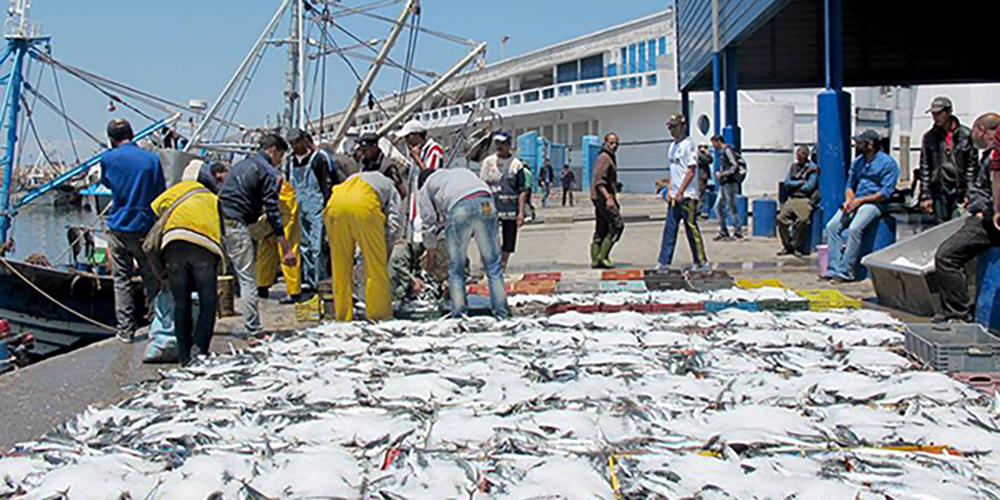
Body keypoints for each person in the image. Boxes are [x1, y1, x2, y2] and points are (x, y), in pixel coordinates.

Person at [218, 133, 295, 336]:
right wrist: (285, 248)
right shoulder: (267, 170)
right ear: (273, 150)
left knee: (220, 275)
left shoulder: (243, 164)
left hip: (220, 220)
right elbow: (272, 210)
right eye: (280, 157)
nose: (279, 162)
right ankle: (254, 330)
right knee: (247, 279)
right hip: (236, 223)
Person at [100, 118, 166, 343]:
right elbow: (160, 191)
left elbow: (107, 183)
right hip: (144, 227)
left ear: (111, 139)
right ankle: (157, 326)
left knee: (121, 279)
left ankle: (126, 330)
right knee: (152, 278)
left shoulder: (107, 158)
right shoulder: (151, 160)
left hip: (118, 226)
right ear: (133, 133)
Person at [149, 176, 225, 366]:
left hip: (173, 243)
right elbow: (221, 229)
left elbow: (155, 207)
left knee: (181, 303)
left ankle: (184, 355)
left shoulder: (178, 189)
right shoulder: (212, 198)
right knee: (208, 302)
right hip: (204, 247)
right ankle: (199, 351)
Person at [418, 168, 509, 319]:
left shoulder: (426, 187)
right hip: (486, 204)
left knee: (456, 269)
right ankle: (502, 313)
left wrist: (431, 252)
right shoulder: (458, 173)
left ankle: (459, 315)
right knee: (493, 266)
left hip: (460, 208)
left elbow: (428, 222)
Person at [935, 113, 1000, 323]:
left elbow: (994, 185)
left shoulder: (994, 154)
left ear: (981, 130)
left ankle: (956, 314)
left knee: (947, 256)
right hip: (985, 211)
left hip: (990, 219)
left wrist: (987, 210)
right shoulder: (986, 155)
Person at [324, 152, 401, 322]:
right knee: (376, 267)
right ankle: (379, 314)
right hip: (363, 202)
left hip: (335, 203)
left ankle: (343, 315)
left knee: (340, 266)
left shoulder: (357, 177)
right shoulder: (391, 187)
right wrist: (384, 252)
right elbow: (393, 224)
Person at [823, 130, 900, 283]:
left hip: (875, 203)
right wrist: (849, 200)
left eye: (860, 142)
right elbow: (850, 184)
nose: (857, 145)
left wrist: (862, 201)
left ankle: (846, 271)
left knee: (854, 229)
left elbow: (885, 192)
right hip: (856, 200)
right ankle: (834, 268)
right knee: (832, 227)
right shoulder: (858, 161)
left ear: (870, 144)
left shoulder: (888, 164)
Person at [657, 114, 708, 270]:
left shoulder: (689, 144)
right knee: (670, 229)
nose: (672, 130)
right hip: (674, 195)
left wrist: (681, 191)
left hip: (687, 195)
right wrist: (670, 190)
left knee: (691, 227)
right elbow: (674, 171)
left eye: (675, 127)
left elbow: (691, 170)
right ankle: (664, 261)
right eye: (670, 127)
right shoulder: (672, 147)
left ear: (682, 126)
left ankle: (700, 261)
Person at [288, 129, 336, 292]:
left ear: (304, 140)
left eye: (296, 142)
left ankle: (319, 280)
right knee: (303, 246)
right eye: (291, 143)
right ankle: (308, 280)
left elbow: (327, 184)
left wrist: (327, 207)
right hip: (297, 208)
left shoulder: (319, 159)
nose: (294, 146)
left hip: (316, 207)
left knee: (317, 246)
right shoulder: (290, 161)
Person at [919, 97, 978, 224]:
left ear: (949, 112)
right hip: (939, 188)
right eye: (933, 114)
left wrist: (970, 193)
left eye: (939, 113)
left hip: (959, 188)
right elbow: (925, 167)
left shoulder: (966, 135)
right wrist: (925, 195)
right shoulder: (929, 137)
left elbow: (971, 167)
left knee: (958, 225)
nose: (935, 117)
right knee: (941, 226)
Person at [479, 131, 528, 273]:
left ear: (509, 145)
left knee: (509, 241)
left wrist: (521, 213)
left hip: (510, 208)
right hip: (491, 207)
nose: (499, 146)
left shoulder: (516, 165)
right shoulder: (488, 162)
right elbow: (482, 186)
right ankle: (485, 268)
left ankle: (502, 268)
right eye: (497, 143)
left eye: (503, 144)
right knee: (488, 239)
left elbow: (522, 190)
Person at [255, 176, 302, 304]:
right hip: (272, 199)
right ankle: (262, 286)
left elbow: (278, 179)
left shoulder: (253, 174)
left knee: (287, 247)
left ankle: (294, 292)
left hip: (283, 202)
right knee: (266, 244)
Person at [777, 146, 820, 256]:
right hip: (792, 198)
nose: (798, 158)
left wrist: (794, 184)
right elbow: (787, 182)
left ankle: (797, 245)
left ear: (806, 156)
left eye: (800, 156)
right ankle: (787, 245)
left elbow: (809, 187)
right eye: (797, 155)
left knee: (803, 220)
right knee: (781, 219)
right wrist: (800, 182)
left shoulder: (813, 169)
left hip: (804, 199)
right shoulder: (793, 167)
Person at [590, 133, 625, 269]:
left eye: (616, 143)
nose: (614, 146)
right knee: (617, 225)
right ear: (605, 143)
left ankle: (596, 259)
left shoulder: (608, 157)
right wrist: (609, 198)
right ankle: (602, 256)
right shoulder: (604, 158)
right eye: (611, 143)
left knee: (601, 227)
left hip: (599, 197)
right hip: (602, 198)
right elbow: (599, 181)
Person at [711, 135, 747, 241]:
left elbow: (734, 165)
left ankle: (738, 231)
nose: (713, 146)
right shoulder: (722, 152)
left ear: (718, 141)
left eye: (714, 143)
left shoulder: (727, 150)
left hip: (730, 183)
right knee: (717, 207)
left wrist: (722, 174)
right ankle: (723, 231)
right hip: (724, 183)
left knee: (732, 207)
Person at [696, 144, 713, 215]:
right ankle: (697, 211)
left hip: (703, 177)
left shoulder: (701, 155)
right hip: (701, 177)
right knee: (701, 195)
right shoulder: (699, 155)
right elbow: (708, 160)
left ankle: (698, 211)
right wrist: (707, 153)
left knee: (702, 194)